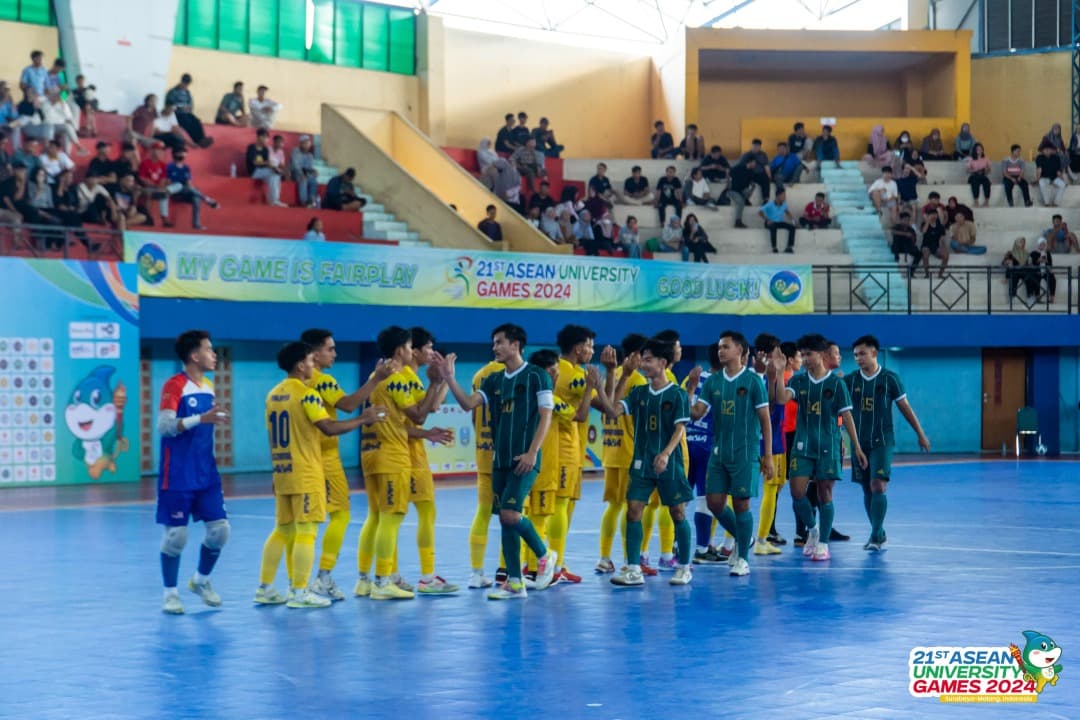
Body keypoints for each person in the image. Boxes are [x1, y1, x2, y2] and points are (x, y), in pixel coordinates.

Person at [433, 324, 560, 599]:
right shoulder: (492, 380)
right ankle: (515, 582)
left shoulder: (538, 377)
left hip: (525, 459)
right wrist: (449, 378)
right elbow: (468, 404)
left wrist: (533, 452)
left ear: (515, 345)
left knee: (511, 514)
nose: (494, 348)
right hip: (499, 460)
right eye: (494, 343)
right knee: (506, 522)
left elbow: (546, 415)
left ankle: (544, 553)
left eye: (499, 342)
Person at [256, 341, 385, 609]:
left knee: (282, 529)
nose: (314, 365)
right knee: (306, 532)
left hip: (282, 471)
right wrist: (364, 419)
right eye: (310, 361)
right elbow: (328, 427)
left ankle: (265, 588)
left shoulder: (272, 395)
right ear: (301, 365)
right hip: (306, 472)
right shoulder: (307, 395)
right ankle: (300, 592)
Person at [353, 327, 447, 600]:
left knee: (376, 517)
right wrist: (435, 383)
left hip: (370, 452)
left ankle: (365, 579)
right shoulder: (398, 377)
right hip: (392, 455)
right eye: (410, 347)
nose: (412, 351)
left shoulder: (377, 375)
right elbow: (418, 416)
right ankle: (384, 580)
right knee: (392, 517)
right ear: (402, 351)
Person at [768, 334, 867, 562]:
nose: (804, 359)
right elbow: (781, 399)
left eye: (808, 354)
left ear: (821, 355)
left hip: (828, 445)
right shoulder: (799, 381)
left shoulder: (836, 384)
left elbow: (847, 416)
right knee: (797, 493)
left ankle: (823, 543)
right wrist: (780, 372)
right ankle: (813, 530)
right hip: (802, 445)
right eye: (801, 355)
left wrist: (857, 447)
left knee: (825, 494)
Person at [603, 338, 693, 587]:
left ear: (663, 363)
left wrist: (665, 454)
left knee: (677, 512)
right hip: (642, 462)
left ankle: (684, 566)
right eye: (642, 359)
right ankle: (633, 568)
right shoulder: (638, 393)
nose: (643, 363)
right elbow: (611, 410)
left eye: (648, 360)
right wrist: (619, 374)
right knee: (633, 510)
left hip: (669, 463)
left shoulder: (677, 394)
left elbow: (679, 429)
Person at [685, 331, 773, 577]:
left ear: (739, 351)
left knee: (741, 504)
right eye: (720, 346)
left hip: (745, 452)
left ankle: (742, 557)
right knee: (714, 503)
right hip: (718, 452)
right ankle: (746, 538)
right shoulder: (713, 381)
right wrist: (691, 389)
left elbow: (765, 420)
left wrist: (767, 456)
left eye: (726, 346)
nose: (721, 350)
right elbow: (696, 413)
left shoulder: (754, 381)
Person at [156, 330, 231, 614]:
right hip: (177, 473)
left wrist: (213, 418)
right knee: (176, 537)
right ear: (194, 355)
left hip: (206, 472)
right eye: (209, 349)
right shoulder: (175, 385)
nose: (214, 355)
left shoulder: (208, 386)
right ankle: (170, 594)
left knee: (220, 531)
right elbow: (165, 426)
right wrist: (203, 418)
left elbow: (201, 425)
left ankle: (201, 581)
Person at [845, 336, 930, 551]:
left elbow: (905, 407)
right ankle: (879, 531)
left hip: (882, 440)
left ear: (874, 353)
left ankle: (875, 536)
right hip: (859, 442)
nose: (858, 358)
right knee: (866, 489)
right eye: (855, 355)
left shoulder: (890, 378)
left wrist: (920, 433)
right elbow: (840, 412)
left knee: (878, 485)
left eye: (862, 353)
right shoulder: (849, 381)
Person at [400, 327, 458, 594]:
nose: (432, 352)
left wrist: (446, 377)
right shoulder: (404, 378)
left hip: (406, 450)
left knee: (387, 518)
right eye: (428, 348)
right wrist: (438, 381)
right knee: (421, 511)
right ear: (413, 350)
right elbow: (418, 417)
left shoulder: (406, 377)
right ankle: (425, 576)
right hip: (404, 453)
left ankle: (378, 577)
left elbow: (432, 405)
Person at [546, 324, 601, 584]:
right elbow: (607, 405)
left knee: (562, 506)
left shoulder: (559, 369)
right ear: (578, 348)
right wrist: (610, 375)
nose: (593, 350)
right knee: (560, 506)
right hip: (563, 448)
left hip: (567, 447)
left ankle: (558, 563)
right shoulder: (574, 374)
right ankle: (552, 566)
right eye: (590, 345)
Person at [596, 334, 648, 572]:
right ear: (636, 356)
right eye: (646, 355)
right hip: (630, 453)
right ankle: (631, 560)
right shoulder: (637, 380)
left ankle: (605, 558)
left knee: (614, 506)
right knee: (633, 508)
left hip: (611, 451)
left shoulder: (613, 376)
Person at [465, 357, 505, 589]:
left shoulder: (479, 374)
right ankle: (505, 570)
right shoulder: (516, 374)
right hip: (507, 458)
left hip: (483, 454)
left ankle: (476, 573)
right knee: (511, 515)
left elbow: (473, 416)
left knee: (483, 513)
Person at [166, 148, 219, 230]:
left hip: (186, 192)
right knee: (181, 186)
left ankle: (196, 224)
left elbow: (189, 183)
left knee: (196, 198)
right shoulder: (169, 167)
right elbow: (168, 182)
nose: (181, 155)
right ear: (174, 154)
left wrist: (192, 189)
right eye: (179, 153)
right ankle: (207, 199)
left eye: (183, 153)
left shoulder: (186, 168)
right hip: (174, 192)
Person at [164, 73, 213, 148]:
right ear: (181, 81)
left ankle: (202, 139)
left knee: (196, 121)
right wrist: (180, 107)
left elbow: (190, 104)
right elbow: (169, 104)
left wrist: (188, 108)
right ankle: (196, 140)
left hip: (186, 112)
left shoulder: (187, 92)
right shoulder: (173, 92)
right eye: (185, 83)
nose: (186, 86)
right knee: (187, 122)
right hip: (176, 114)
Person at [246, 128, 286, 208]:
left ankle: (273, 200)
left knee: (276, 175)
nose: (266, 139)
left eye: (267, 138)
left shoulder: (265, 150)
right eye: (264, 137)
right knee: (273, 173)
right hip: (254, 172)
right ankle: (274, 200)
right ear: (258, 137)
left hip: (264, 172)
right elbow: (254, 162)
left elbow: (267, 163)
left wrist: (275, 168)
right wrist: (267, 164)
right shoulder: (251, 147)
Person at [759, 188, 797, 253]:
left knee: (792, 227)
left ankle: (789, 247)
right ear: (778, 196)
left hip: (779, 222)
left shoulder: (784, 204)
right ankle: (774, 248)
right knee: (773, 227)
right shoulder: (770, 203)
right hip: (770, 222)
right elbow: (760, 212)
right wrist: (767, 219)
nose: (785, 197)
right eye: (783, 195)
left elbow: (787, 212)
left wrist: (793, 221)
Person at [916, 210, 949, 278]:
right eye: (932, 214)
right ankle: (927, 274)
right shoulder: (924, 224)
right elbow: (923, 231)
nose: (934, 216)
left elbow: (942, 238)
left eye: (935, 214)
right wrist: (927, 221)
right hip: (926, 245)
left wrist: (944, 248)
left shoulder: (940, 226)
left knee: (946, 256)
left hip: (936, 246)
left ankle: (940, 274)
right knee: (925, 255)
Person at [290, 135, 319, 208]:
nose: (307, 145)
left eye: (308, 143)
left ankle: (311, 201)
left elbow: (309, 168)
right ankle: (304, 202)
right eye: (305, 143)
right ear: (300, 143)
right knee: (303, 179)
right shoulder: (295, 152)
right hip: (295, 173)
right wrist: (301, 174)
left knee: (313, 180)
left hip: (305, 173)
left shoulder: (310, 155)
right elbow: (296, 166)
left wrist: (314, 171)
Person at [1036, 141, 1067, 207]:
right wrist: (1037, 180)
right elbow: (1039, 170)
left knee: (1063, 185)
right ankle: (1047, 203)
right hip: (1044, 177)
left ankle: (1056, 203)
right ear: (1042, 150)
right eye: (1045, 149)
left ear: (1051, 150)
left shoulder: (1056, 158)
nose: (1047, 151)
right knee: (1042, 183)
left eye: (1048, 149)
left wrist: (1063, 180)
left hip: (1054, 177)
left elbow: (1058, 171)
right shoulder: (1039, 158)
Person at [1031, 238, 1056, 303]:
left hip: (1046, 271)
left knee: (1052, 278)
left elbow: (1050, 264)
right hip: (1037, 271)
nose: (1042, 246)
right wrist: (1039, 260)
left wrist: (1046, 261)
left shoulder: (1047, 253)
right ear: (1038, 245)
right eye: (1041, 244)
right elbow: (1033, 263)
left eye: (1044, 244)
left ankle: (1052, 297)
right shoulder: (1034, 252)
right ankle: (1038, 298)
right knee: (1035, 278)